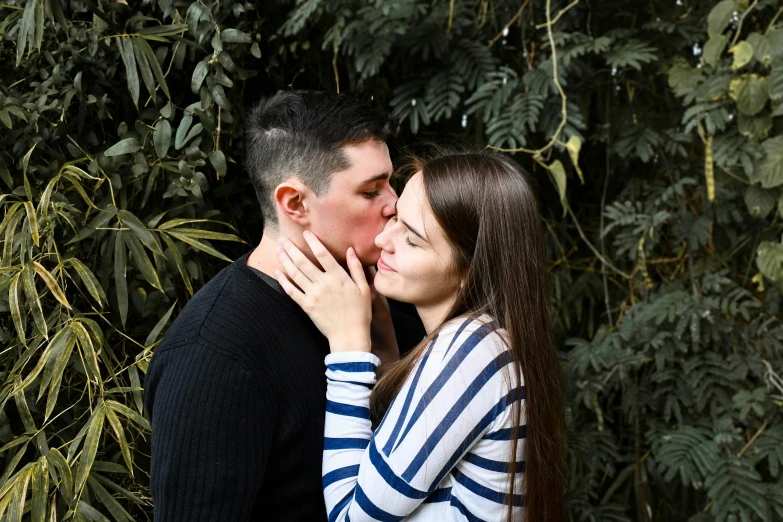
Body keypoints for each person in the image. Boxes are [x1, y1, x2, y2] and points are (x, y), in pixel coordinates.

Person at [143, 90, 424, 521]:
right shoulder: (215, 354)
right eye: (371, 191)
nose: (396, 204)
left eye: (390, 182)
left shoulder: (395, 316)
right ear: (295, 203)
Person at [275, 151, 565, 522]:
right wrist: (381, 345)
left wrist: (349, 348)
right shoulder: (486, 343)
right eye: (396, 218)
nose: (384, 238)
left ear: (469, 270)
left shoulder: (473, 348)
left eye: (412, 240)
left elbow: (350, 516)